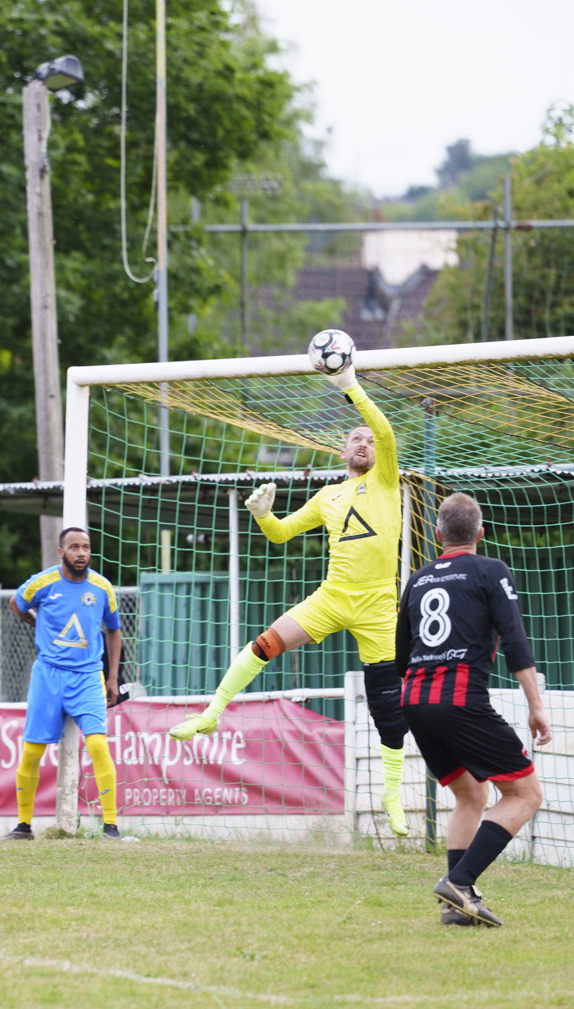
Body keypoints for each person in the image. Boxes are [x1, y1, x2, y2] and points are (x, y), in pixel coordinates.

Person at [170, 360, 415, 837]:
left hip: (379, 606)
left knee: (387, 705)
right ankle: (211, 715)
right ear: (342, 449)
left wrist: (350, 387)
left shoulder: (387, 479)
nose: (364, 443)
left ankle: (392, 793)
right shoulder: (327, 496)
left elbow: (384, 431)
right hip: (333, 598)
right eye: (355, 438)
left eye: (368, 439)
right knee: (264, 644)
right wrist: (263, 513)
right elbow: (281, 535)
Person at [395, 493, 552, 928]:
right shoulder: (490, 571)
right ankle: (459, 882)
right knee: (525, 794)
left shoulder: (417, 579)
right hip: (459, 698)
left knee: (471, 793)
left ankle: (455, 908)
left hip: (414, 701)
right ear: (480, 533)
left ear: (438, 535)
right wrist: (536, 707)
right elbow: (515, 642)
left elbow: (400, 655)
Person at [4, 528, 123, 841]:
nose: (81, 553)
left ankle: (111, 826)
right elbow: (16, 603)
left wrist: (112, 678)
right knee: (32, 752)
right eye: (74, 547)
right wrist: (35, 621)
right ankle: (23, 826)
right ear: (61, 552)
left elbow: (113, 629)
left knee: (98, 745)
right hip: (48, 675)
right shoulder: (44, 582)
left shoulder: (101, 587)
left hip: (88, 677)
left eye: (86, 547)